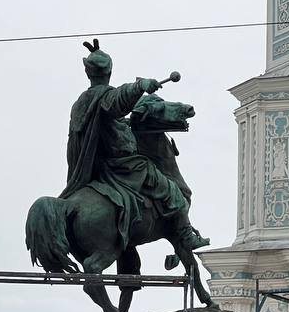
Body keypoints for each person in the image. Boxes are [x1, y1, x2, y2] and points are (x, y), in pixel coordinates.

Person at [62, 39, 209, 255]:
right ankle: (186, 233)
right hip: (123, 166)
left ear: (87, 72)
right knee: (172, 190)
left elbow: (109, 121)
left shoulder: (81, 102)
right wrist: (140, 86)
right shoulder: (102, 96)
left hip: (95, 169)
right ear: (109, 71)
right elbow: (118, 101)